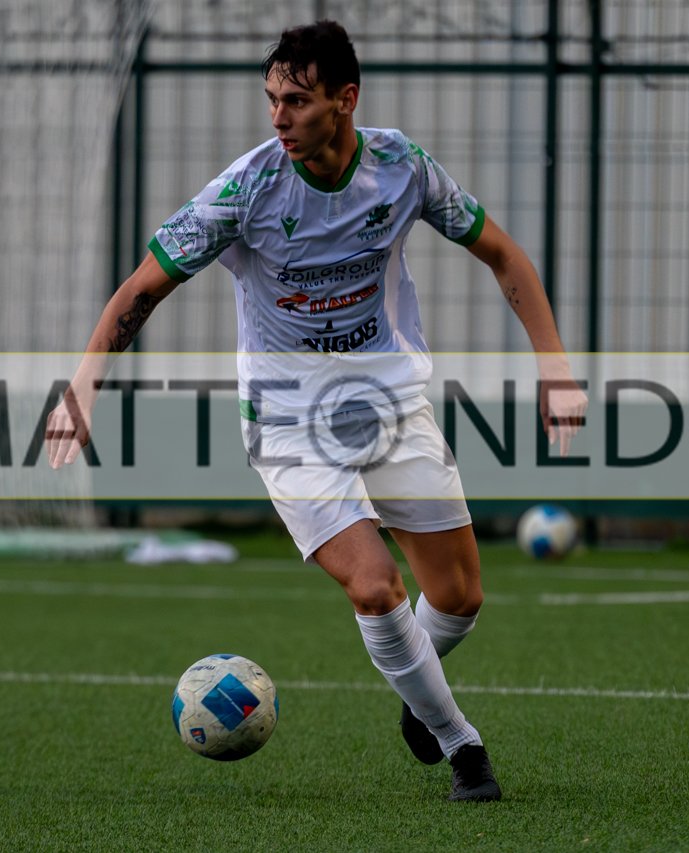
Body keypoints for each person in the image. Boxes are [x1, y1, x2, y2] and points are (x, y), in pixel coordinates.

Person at [47, 20, 587, 802]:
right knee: (376, 586)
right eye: (271, 99)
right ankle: (461, 744)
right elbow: (141, 289)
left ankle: (420, 694)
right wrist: (83, 386)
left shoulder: (402, 168)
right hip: (290, 422)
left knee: (459, 597)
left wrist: (555, 368)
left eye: (296, 100)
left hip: (390, 406)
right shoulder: (246, 190)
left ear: (345, 99)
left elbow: (501, 252)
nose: (279, 117)